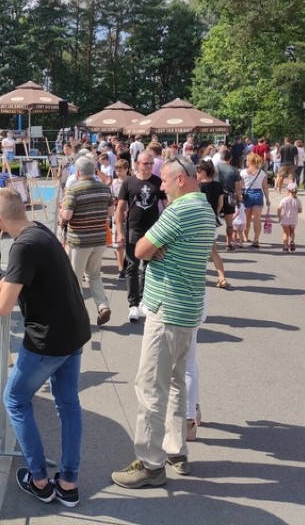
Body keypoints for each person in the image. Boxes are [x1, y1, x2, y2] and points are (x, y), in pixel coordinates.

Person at [0, 188, 91, 508]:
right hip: (74, 332)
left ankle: (39, 479)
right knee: (68, 404)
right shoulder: (38, 231)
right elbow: (15, 280)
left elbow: (3, 304)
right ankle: (68, 482)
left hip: (48, 340)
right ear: (22, 209)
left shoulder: (23, 247)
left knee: (14, 399)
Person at [110, 154, 215, 489]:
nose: (162, 189)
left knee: (150, 385)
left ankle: (150, 462)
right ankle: (175, 449)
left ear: (180, 179)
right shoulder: (205, 208)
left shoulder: (180, 210)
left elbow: (140, 248)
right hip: (186, 308)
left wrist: (152, 248)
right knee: (174, 381)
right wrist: (155, 248)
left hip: (167, 307)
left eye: (166, 183)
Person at [60, 155, 115, 326]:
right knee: (94, 275)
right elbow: (111, 213)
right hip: (98, 239)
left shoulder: (74, 190)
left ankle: (76, 315)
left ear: (77, 172)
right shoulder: (105, 189)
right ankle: (103, 305)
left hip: (79, 241)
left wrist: (62, 212)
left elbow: (67, 215)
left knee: (74, 278)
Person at [116, 151, 166, 322]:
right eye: (146, 163)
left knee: (149, 267)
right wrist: (120, 232)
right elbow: (120, 209)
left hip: (153, 231)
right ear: (137, 163)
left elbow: (166, 206)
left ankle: (145, 299)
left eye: (151, 163)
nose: (149, 167)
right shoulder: (128, 182)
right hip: (133, 229)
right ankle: (133, 305)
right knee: (132, 267)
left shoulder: (158, 182)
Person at [196, 159, 229, 288]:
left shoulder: (199, 186)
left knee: (198, 251)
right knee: (213, 251)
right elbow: (221, 203)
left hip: (199, 221)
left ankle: (199, 277)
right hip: (212, 220)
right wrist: (215, 213)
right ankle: (222, 277)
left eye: (198, 171)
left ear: (203, 172)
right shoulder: (218, 185)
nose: (197, 174)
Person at [240, 152, 270, 247]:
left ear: (249, 161)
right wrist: (267, 199)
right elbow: (265, 187)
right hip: (258, 194)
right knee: (257, 219)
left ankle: (245, 237)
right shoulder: (262, 173)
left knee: (246, 219)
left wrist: (239, 196)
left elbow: (240, 186)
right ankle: (256, 239)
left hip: (247, 195)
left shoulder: (243, 172)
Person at [216, 149, 243, 251]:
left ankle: (212, 244)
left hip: (217, 196)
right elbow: (238, 187)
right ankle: (229, 244)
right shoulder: (234, 170)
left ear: (221, 157)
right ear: (230, 158)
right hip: (229, 198)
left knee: (213, 220)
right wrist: (239, 199)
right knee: (229, 223)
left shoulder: (215, 169)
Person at [111, 158, 130, 280]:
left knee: (129, 243)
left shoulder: (131, 181)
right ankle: (120, 268)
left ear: (127, 170)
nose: (118, 173)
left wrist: (128, 211)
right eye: (117, 170)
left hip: (129, 214)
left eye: (121, 170)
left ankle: (126, 264)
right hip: (116, 214)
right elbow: (112, 198)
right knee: (118, 244)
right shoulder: (114, 183)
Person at [277, 182, 302, 253]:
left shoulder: (284, 200)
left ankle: (285, 247)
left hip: (285, 218)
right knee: (292, 231)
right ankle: (292, 241)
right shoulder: (298, 200)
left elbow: (279, 208)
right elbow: (300, 210)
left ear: (288, 191)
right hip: (293, 219)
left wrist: (279, 217)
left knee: (285, 233)